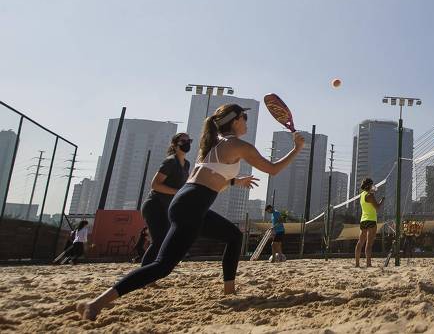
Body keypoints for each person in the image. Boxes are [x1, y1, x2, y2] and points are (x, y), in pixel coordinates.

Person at [77, 104, 305, 321]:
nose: (246, 121)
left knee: (234, 236)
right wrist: (297, 149)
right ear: (235, 121)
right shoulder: (237, 145)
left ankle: (229, 291)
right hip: (192, 205)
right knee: (162, 266)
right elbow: (273, 170)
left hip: (189, 202)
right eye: (244, 117)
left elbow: (214, 180)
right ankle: (95, 303)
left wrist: (236, 181)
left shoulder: (213, 144)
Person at [140, 133, 192, 266]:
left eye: (189, 140)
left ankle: (151, 272)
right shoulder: (170, 161)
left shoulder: (186, 164)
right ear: (175, 144)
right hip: (154, 206)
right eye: (183, 140)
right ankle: (143, 274)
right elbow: (155, 184)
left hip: (168, 207)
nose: (187, 143)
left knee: (165, 242)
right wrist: (177, 192)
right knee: (158, 242)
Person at [354, 178, 380, 268]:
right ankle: (368, 264)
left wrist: (373, 191)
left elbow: (368, 200)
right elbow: (377, 207)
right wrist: (382, 200)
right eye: (372, 185)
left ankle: (357, 264)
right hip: (371, 220)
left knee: (360, 242)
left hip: (363, 220)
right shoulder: (370, 195)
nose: (373, 186)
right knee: (369, 244)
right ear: (369, 185)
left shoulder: (362, 195)